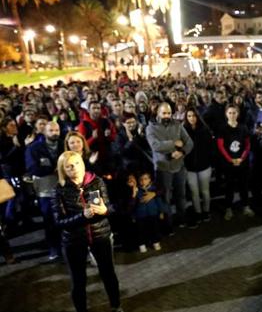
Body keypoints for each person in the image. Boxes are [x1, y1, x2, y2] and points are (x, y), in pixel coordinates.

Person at [52, 151, 123, 312]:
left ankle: (116, 306)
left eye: (77, 164)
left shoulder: (96, 181)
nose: (74, 168)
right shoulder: (59, 190)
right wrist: (81, 216)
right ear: (63, 170)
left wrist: (105, 210)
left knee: (108, 274)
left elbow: (110, 207)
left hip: (100, 235)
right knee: (78, 280)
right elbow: (59, 222)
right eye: (69, 166)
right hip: (74, 240)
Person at [146, 103, 194, 228]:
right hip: (163, 169)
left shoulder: (177, 125)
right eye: (164, 113)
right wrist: (174, 143)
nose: (167, 116)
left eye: (169, 113)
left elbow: (189, 142)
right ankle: (168, 224)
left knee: (181, 195)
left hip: (179, 165)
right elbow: (155, 146)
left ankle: (181, 219)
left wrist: (182, 152)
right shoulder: (151, 128)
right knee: (166, 197)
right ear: (158, 113)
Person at [25, 121, 63, 260]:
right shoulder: (34, 148)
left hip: (63, 188)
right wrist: (52, 170)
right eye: (51, 130)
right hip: (45, 190)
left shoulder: (64, 144)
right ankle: (54, 249)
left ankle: (66, 247)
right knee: (49, 220)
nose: (55, 133)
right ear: (44, 132)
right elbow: (32, 168)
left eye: (57, 130)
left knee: (65, 218)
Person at [217, 105, 254, 221]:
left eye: (234, 113)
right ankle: (228, 208)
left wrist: (241, 158)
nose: (232, 115)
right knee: (229, 187)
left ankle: (246, 206)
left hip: (242, 162)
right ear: (226, 114)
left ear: (238, 114)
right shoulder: (222, 129)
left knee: (244, 185)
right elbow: (220, 146)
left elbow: (247, 145)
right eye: (230, 113)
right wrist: (230, 160)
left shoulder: (243, 128)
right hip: (228, 163)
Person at [183, 108, 215, 224]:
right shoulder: (183, 131)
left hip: (204, 166)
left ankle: (206, 211)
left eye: (194, 116)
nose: (192, 118)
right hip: (190, 168)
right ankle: (198, 213)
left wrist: (210, 162)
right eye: (189, 116)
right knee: (194, 192)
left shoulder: (204, 130)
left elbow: (211, 148)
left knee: (205, 191)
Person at [131, 171, 164, 253]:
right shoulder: (137, 190)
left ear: (150, 180)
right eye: (141, 179)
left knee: (154, 229)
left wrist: (161, 211)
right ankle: (142, 244)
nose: (143, 181)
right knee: (141, 230)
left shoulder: (153, 190)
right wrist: (133, 215)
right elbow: (134, 204)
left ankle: (155, 242)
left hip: (153, 213)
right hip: (140, 215)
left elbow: (159, 201)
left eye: (145, 179)